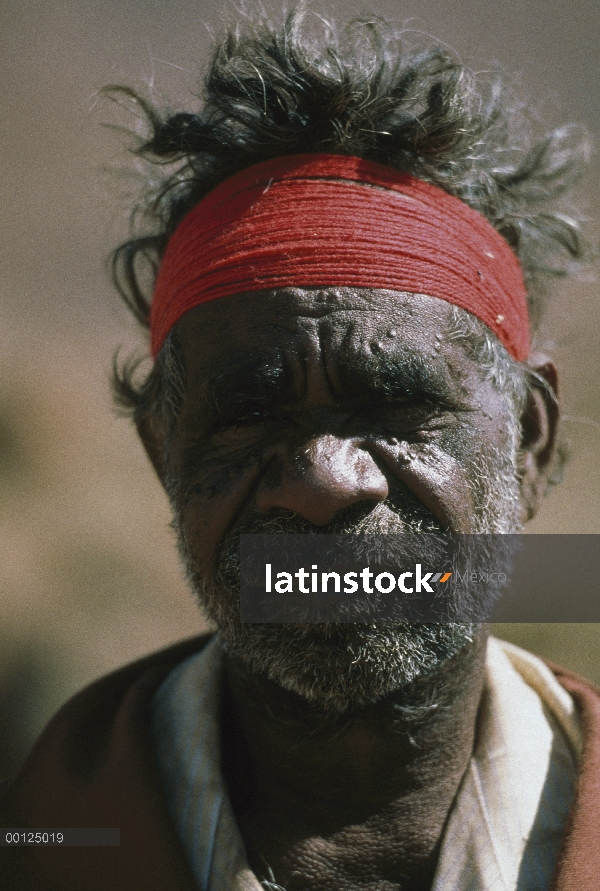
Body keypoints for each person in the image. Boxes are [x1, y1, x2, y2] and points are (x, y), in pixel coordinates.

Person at [1, 9, 598, 891]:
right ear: (165, 456)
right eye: (248, 411)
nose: (324, 483)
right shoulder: (49, 838)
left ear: (529, 444)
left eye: (398, 405)